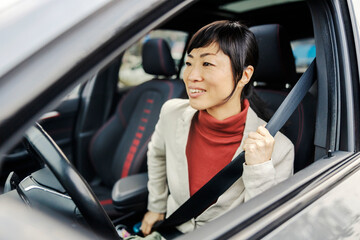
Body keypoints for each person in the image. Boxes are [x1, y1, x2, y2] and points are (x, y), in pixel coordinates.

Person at [140, 20, 294, 236]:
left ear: (244, 75)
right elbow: (157, 155)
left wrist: (259, 168)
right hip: (172, 230)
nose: (191, 76)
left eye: (207, 64)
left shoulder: (278, 148)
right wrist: (155, 207)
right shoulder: (171, 112)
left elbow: (264, 225)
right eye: (189, 63)